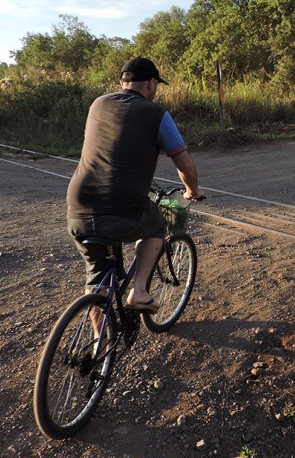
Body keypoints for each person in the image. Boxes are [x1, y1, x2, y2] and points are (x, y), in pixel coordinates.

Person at [66, 57, 204, 312]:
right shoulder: (155, 113)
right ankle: (139, 291)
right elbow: (184, 162)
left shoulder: (98, 104)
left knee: (98, 281)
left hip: (79, 207)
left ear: (123, 82)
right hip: (121, 207)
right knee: (157, 224)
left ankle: (100, 345)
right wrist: (192, 191)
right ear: (151, 83)